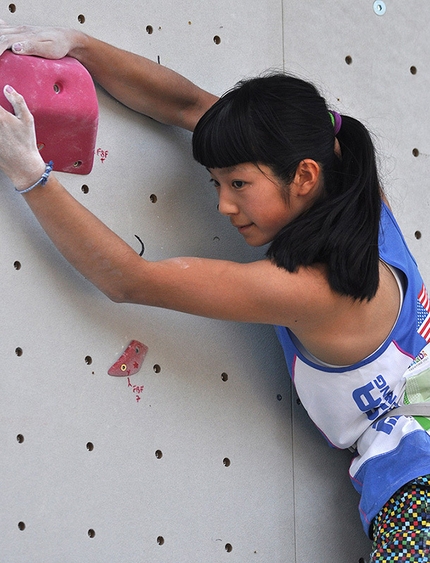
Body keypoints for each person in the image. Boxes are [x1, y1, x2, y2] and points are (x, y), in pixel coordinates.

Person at [0, 22, 430, 562]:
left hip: (421, 497)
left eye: (239, 185)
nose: (224, 205)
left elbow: (130, 279)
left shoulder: (310, 290)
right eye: (217, 184)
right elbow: (188, 106)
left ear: (304, 175)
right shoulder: (349, 183)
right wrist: (79, 46)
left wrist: (30, 176)